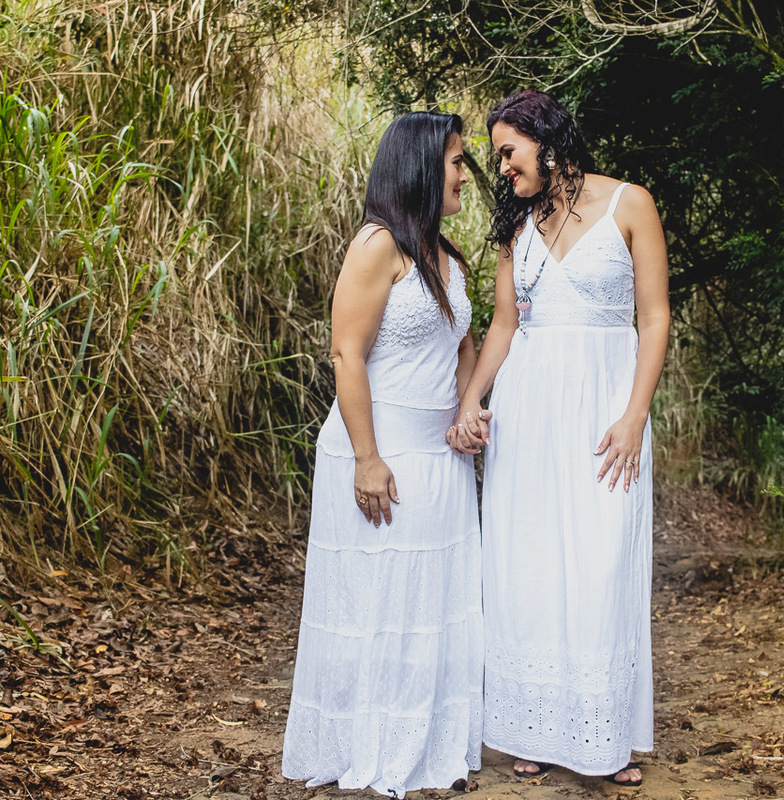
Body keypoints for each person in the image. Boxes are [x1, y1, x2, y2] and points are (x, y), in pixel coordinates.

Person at [449, 89, 669, 787]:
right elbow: (506, 327)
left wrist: (635, 414)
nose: (502, 169)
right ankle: (533, 726)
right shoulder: (518, 229)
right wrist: (471, 398)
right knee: (531, 562)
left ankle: (603, 737)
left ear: (546, 140)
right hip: (530, 413)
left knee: (602, 560)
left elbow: (656, 319)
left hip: (606, 410)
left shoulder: (631, 203)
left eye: (509, 153)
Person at [282, 111, 486, 798]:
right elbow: (347, 353)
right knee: (377, 605)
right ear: (423, 168)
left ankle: (426, 746)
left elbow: (462, 350)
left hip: (441, 459)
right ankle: (369, 745)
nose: (466, 175)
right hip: (380, 451)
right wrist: (367, 458)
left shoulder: (449, 257)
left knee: (430, 605)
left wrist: (468, 414)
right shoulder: (377, 246)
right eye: (457, 162)